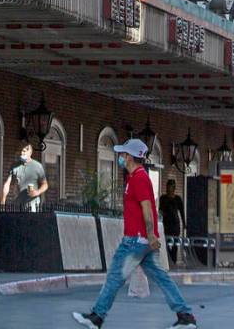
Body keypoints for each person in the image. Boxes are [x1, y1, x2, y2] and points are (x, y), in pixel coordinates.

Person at [73, 138, 197, 329]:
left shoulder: (139, 178)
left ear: (130, 157)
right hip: (143, 240)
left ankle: (97, 317)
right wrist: (151, 236)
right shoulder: (135, 177)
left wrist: (150, 234)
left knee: (115, 276)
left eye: (123, 154)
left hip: (135, 240)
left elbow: (147, 208)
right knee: (162, 278)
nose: (120, 157)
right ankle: (185, 316)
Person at [0, 142, 48, 212]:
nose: (21, 153)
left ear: (30, 152)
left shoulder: (37, 166)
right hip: (17, 202)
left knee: (29, 222)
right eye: (20, 151)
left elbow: (45, 184)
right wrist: (3, 200)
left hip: (32, 204)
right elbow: (7, 184)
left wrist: (37, 192)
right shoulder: (14, 165)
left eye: (24, 151)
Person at [159, 179, 185, 264]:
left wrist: (184, 223)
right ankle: (168, 259)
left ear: (174, 188)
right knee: (166, 243)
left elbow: (181, 212)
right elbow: (160, 211)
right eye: (168, 186)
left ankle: (173, 260)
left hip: (175, 225)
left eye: (171, 187)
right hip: (166, 225)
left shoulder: (178, 199)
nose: (169, 189)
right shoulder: (163, 198)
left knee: (175, 244)